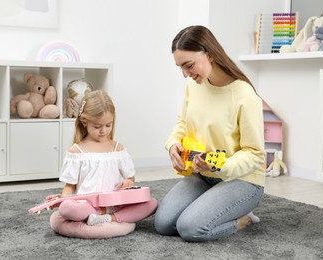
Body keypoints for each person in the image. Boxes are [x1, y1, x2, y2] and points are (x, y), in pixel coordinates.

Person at [154, 25, 265, 242]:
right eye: (181, 68)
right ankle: (210, 204)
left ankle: (244, 219)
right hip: (203, 176)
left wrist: (219, 165)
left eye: (189, 65)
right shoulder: (194, 87)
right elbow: (182, 123)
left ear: (210, 54)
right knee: (163, 224)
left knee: (190, 228)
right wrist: (173, 144)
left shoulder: (244, 95)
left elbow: (255, 154)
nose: (186, 74)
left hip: (242, 181)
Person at [48, 89, 157, 239]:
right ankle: (101, 215)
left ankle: (107, 218)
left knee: (151, 203)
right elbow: (70, 186)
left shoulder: (118, 149)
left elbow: (131, 179)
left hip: (115, 205)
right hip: (87, 206)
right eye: (97, 127)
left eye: (108, 125)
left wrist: (127, 182)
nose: (103, 131)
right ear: (84, 122)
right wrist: (61, 200)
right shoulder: (76, 151)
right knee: (66, 208)